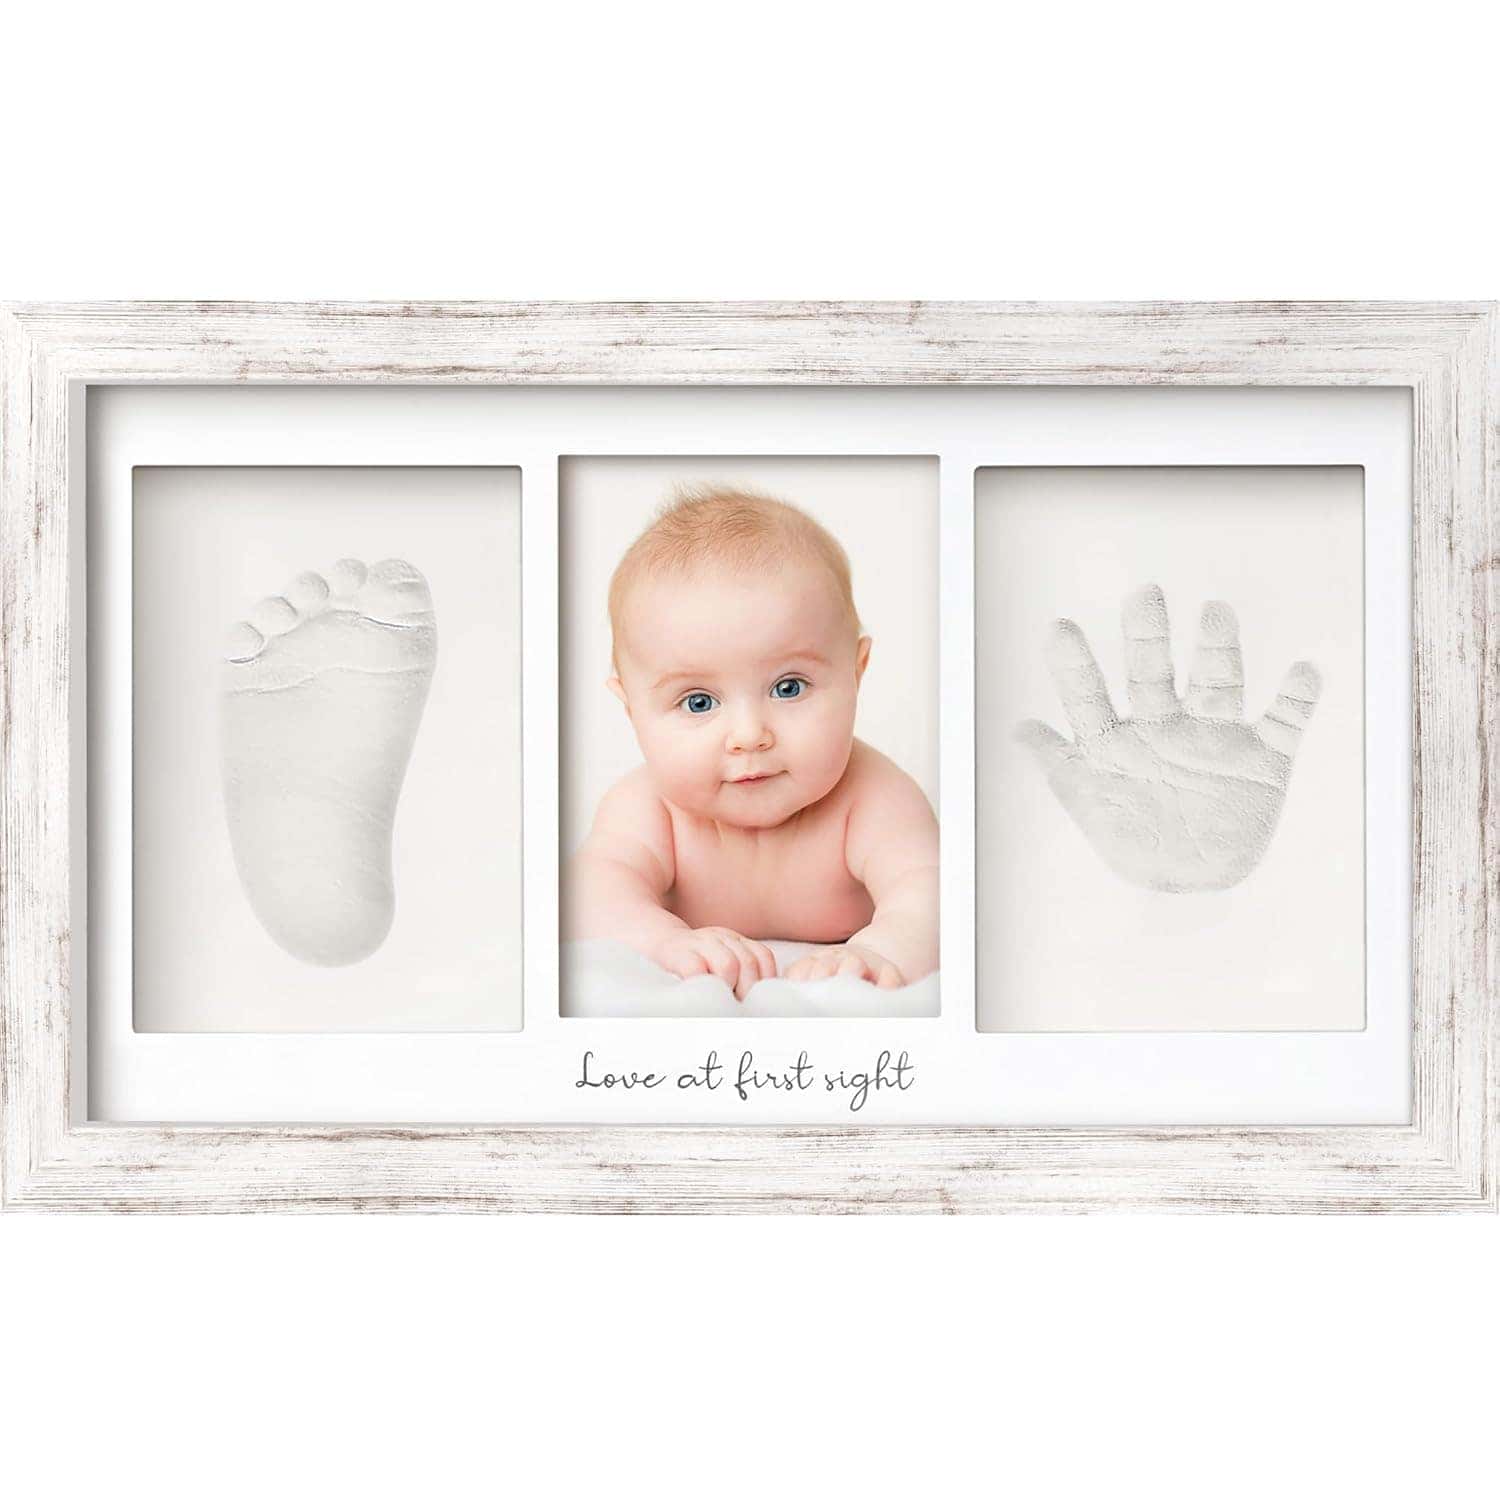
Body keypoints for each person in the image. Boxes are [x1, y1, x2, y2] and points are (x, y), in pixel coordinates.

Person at [563, 484, 938, 999]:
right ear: (630, 707)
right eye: (698, 702)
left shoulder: (873, 798)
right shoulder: (647, 808)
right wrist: (663, 942)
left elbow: (933, 891)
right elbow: (587, 894)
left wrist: (882, 950)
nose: (748, 736)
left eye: (789, 688)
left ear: (857, 671)